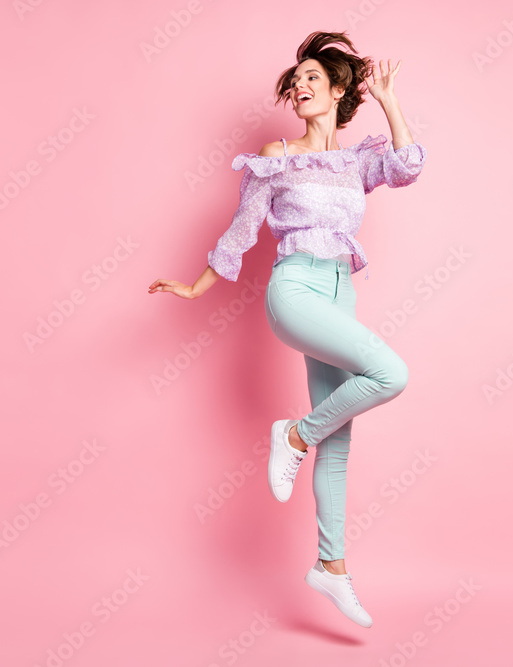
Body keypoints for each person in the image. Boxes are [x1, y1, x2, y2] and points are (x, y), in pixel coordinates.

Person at [148, 30, 427, 629]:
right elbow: (243, 225)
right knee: (390, 374)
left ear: (338, 89)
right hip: (295, 288)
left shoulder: (356, 161)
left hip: (339, 290)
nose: (299, 86)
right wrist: (197, 285)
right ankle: (294, 436)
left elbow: (407, 167)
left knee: (341, 439)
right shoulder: (277, 157)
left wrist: (390, 101)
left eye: (311, 78)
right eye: (294, 80)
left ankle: (331, 567)